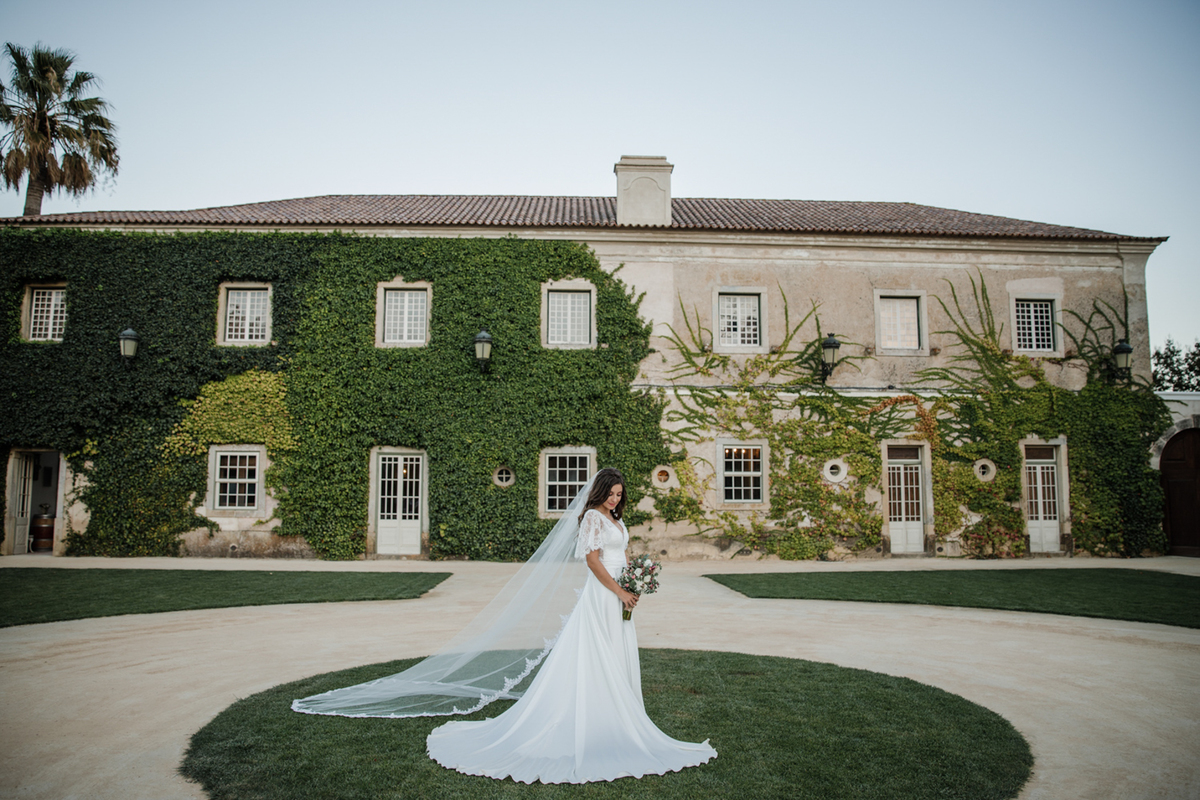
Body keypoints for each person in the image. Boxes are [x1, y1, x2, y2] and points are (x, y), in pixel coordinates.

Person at [425, 467, 717, 783]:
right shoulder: (592, 516)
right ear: (600, 491)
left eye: (619, 495)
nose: (615, 499)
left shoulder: (616, 518)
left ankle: (617, 717)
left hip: (620, 590)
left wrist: (634, 582)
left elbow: (622, 554)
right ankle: (593, 716)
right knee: (598, 650)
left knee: (617, 647)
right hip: (603, 594)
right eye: (611, 493)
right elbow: (593, 561)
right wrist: (618, 590)